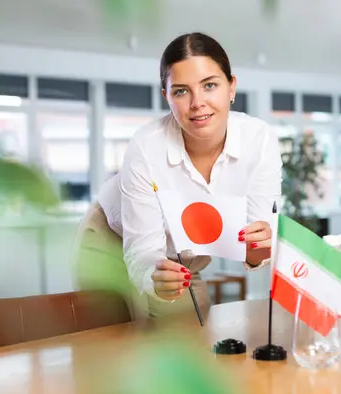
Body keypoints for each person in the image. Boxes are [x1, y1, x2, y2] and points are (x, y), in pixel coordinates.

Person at [82, 32, 282, 319]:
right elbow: (143, 252)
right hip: (111, 238)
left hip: (184, 258)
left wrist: (261, 246)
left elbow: (257, 245)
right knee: (115, 346)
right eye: (181, 91)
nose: (197, 102)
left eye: (210, 85)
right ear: (167, 96)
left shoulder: (260, 142)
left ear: (231, 87)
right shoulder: (146, 146)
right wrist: (154, 276)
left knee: (194, 338)